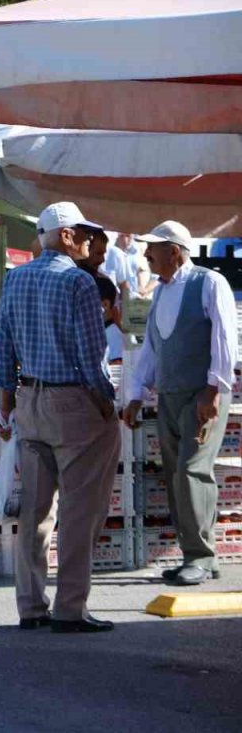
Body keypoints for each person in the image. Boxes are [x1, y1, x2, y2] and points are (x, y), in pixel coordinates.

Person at [0, 201, 120, 635]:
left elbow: (3, 347)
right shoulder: (78, 282)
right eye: (84, 234)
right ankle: (70, 608)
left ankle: (30, 606)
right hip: (73, 403)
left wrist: (7, 403)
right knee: (80, 511)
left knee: (35, 511)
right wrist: (105, 402)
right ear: (65, 235)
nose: (89, 241)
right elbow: (92, 355)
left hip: (29, 399)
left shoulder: (15, 278)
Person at [122, 221, 236, 587]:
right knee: (176, 475)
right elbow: (153, 347)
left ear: (174, 251)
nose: (146, 254)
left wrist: (214, 389)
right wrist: (136, 393)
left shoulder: (209, 282)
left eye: (152, 248)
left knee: (191, 471)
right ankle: (200, 555)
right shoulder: (161, 292)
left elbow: (224, 338)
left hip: (201, 394)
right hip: (170, 395)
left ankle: (199, 556)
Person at [78, 230, 124, 365]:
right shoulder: (69, 280)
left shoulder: (106, 283)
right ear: (85, 248)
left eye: (104, 254)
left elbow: (115, 318)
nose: (102, 260)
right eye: (98, 253)